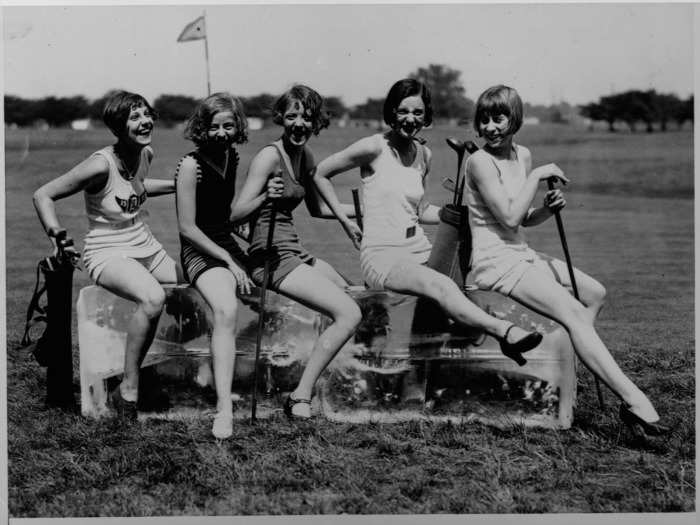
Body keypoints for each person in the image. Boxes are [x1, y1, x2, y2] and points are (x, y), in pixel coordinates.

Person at [463, 84, 669, 436]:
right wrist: (535, 178)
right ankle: (635, 403)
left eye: (498, 118)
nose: (491, 127)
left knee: (594, 294)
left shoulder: (522, 155)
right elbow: (508, 219)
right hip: (493, 262)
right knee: (574, 314)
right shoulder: (479, 162)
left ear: (515, 119)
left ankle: (572, 360)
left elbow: (523, 218)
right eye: (484, 120)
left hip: (519, 253)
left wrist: (546, 208)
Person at [313, 78, 543, 368]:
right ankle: (504, 332)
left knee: (460, 293)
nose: (410, 119)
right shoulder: (373, 147)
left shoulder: (424, 154)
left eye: (418, 113)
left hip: (418, 246)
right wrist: (346, 221)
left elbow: (420, 210)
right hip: (382, 255)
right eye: (403, 111)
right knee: (440, 285)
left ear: (426, 116)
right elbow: (320, 173)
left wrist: (456, 214)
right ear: (392, 112)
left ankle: (441, 370)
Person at [33, 90, 178, 422]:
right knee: (153, 298)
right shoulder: (101, 164)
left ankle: (174, 367)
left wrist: (178, 183)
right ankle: (128, 388)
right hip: (107, 252)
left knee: (199, 284)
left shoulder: (145, 153)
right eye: (134, 117)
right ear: (117, 126)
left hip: (147, 246)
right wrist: (56, 235)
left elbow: (139, 186)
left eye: (146, 114)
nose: (144, 122)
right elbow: (44, 194)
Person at [232, 84, 362, 420]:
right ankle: (299, 396)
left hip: (293, 250)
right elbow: (234, 214)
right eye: (292, 116)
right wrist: (265, 197)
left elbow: (319, 209)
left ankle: (325, 380)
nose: (299, 124)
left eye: (307, 117)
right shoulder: (268, 156)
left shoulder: (305, 156)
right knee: (348, 314)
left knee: (351, 293)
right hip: (269, 258)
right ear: (282, 119)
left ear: (316, 121)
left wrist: (361, 215)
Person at [174, 93, 255, 439]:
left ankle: (227, 370)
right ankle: (224, 408)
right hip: (200, 251)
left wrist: (249, 235)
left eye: (228, 125)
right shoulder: (190, 165)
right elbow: (187, 227)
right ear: (201, 128)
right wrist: (229, 261)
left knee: (275, 291)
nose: (222, 133)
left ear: (237, 127)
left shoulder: (231, 157)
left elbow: (223, 214)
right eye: (214, 126)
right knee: (225, 309)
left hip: (227, 244)